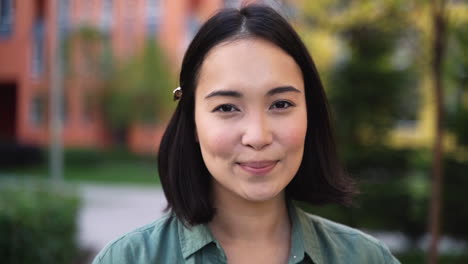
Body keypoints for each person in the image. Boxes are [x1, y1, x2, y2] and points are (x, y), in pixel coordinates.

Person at [93, 4, 401, 264]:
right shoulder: (130, 258)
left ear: (311, 114)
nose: (257, 136)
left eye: (280, 104)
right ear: (192, 122)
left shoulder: (364, 257)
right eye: (227, 108)